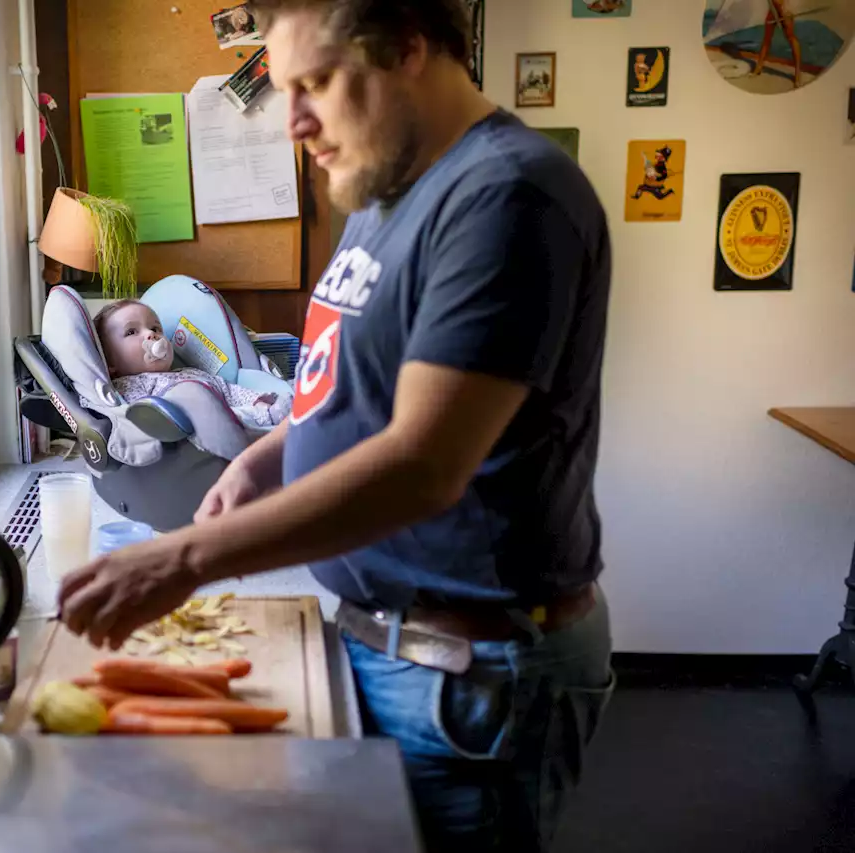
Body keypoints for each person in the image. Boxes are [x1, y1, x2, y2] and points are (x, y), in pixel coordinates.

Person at [59, 1, 614, 849]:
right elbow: (364, 392)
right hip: (394, 647)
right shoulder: (388, 187)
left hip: (471, 676)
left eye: (314, 83)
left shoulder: (506, 197)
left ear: (409, 48)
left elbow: (423, 464)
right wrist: (271, 456)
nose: (295, 122)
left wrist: (181, 559)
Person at [94, 299, 291, 429]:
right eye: (131, 332)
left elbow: (228, 391)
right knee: (221, 418)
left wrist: (257, 398)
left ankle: (273, 410)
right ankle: (268, 416)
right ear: (110, 362)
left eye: (155, 327)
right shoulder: (128, 386)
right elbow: (140, 418)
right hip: (195, 430)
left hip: (228, 415)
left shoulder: (191, 372)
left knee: (272, 400)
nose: (150, 334)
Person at [753, 0, 803, 88]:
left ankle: (798, 75)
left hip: (784, 8)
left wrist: (783, 12)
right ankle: (759, 67)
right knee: (767, 38)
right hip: (773, 9)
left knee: (791, 37)